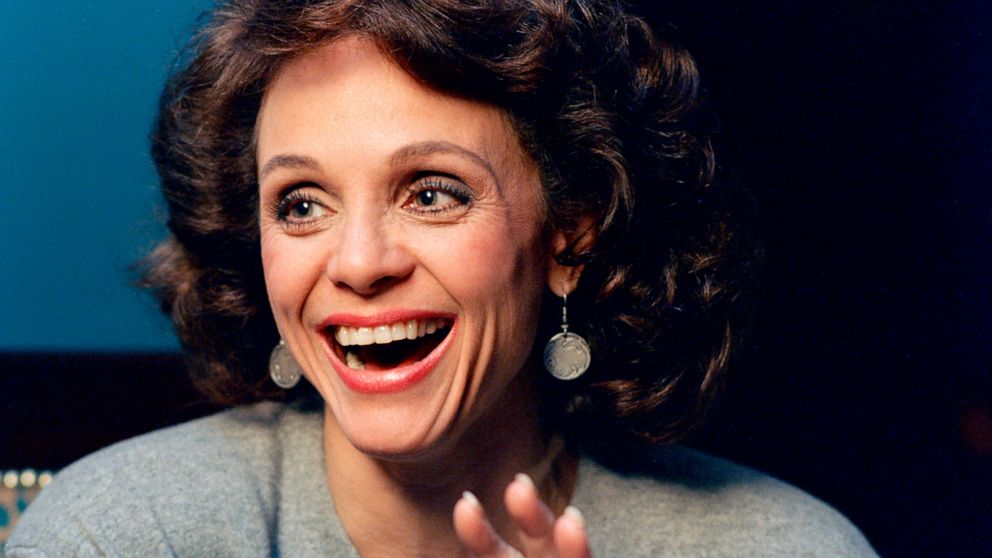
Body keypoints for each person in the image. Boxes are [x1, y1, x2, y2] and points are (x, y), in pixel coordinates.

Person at [8, 1, 877, 556]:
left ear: (570, 236)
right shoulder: (121, 533)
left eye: (432, 193)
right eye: (301, 204)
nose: (359, 264)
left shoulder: (782, 547)